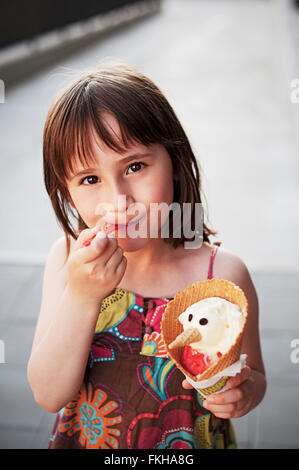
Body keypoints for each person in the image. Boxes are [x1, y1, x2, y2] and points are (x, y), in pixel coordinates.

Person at [27, 62, 266, 449]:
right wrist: (82, 296)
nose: (118, 201)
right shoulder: (66, 260)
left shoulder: (221, 275)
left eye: (135, 166)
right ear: (65, 191)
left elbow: (254, 374)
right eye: (90, 179)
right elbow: (49, 394)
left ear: (174, 161)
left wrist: (244, 393)